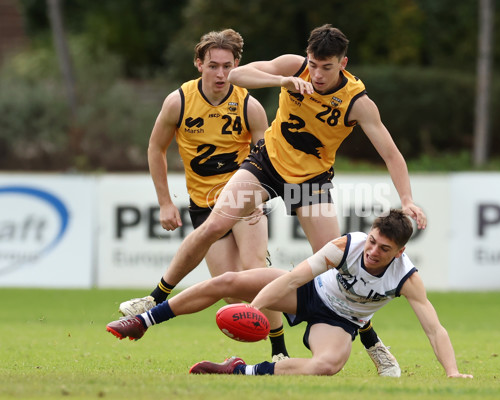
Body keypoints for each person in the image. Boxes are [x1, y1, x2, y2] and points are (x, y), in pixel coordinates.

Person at [118, 24, 426, 376]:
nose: (317, 74)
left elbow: (391, 154)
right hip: (266, 166)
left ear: (344, 63)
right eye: (313, 64)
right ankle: (154, 298)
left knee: (340, 270)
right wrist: (282, 81)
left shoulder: (358, 102)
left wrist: (407, 199)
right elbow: (240, 74)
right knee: (213, 224)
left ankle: (373, 345)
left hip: (309, 182)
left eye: (327, 67)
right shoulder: (294, 66)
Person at [106, 210, 472, 379]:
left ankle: (240, 370)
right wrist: (254, 308)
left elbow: (433, 328)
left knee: (327, 366)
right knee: (229, 281)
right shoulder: (347, 245)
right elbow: (294, 277)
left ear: (400, 252)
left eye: (384, 248)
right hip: (310, 293)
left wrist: (452, 373)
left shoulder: (406, 277)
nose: (373, 251)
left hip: (341, 321)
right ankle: (143, 320)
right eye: (373, 241)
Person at [119, 28, 288, 361]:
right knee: (230, 290)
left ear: (237, 65)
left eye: (227, 66)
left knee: (254, 268)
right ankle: (290, 309)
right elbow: (155, 148)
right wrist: (166, 202)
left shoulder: (249, 106)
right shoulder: (178, 101)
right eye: (213, 65)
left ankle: (279, 351)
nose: (221, 73)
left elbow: (266, 158)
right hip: (203, 205)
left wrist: (261, 195)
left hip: (242, 200)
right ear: (199, 64)